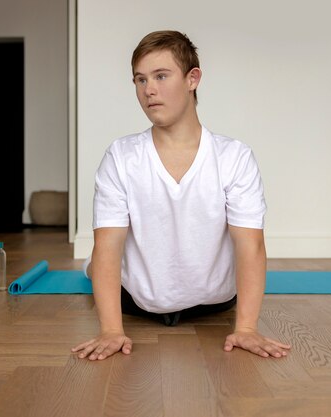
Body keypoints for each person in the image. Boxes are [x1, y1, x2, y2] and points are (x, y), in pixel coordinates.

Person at [72, 30, 291, 361]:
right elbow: (108, 244)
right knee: (98, 261)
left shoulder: (234, 157)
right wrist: (111, 330)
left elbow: (251, 245)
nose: (149, 90)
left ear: (193, 79)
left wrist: (245, 329)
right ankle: (91, 270)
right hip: (136, 299)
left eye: (161, 76)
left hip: (214, 301)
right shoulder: (121, 156)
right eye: (140, 80)